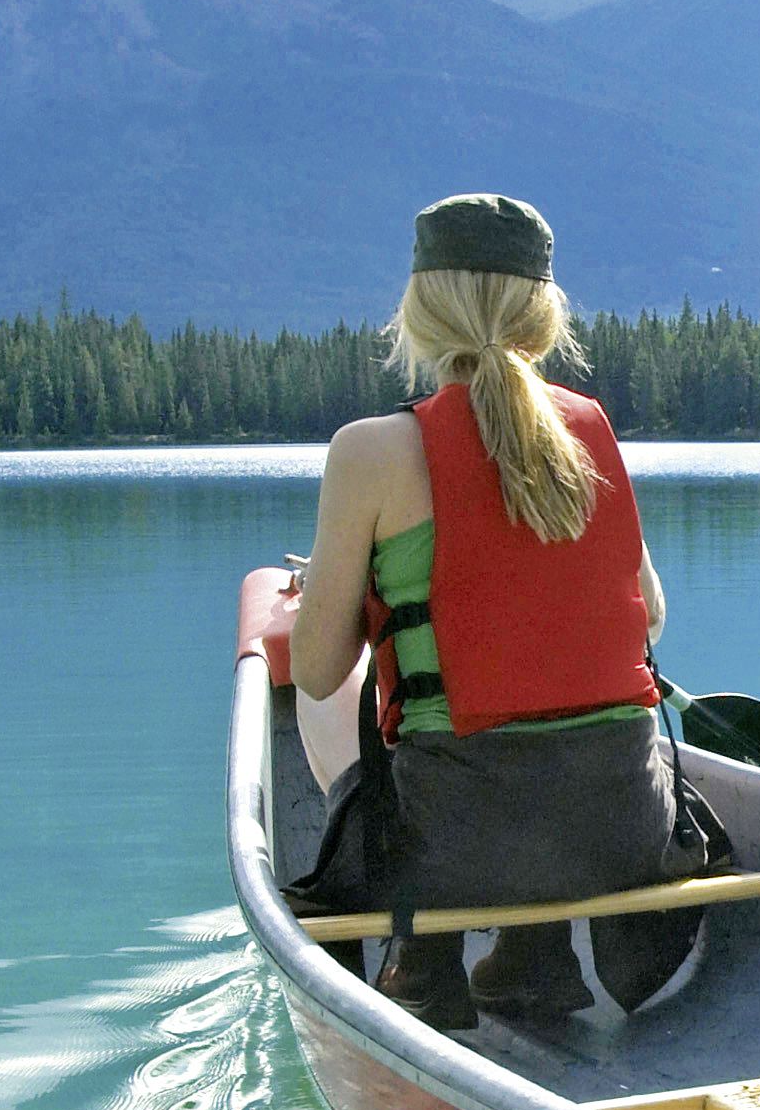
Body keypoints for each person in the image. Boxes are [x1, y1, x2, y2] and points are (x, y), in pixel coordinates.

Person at [285, 192, 710, 1028]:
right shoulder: (590, 429)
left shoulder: (367, 450)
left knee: (328, 683)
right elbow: (649, 617)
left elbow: (316, 668)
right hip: (623, 830)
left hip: (453, 851)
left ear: (419, 310)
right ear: (543, 311)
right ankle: (533, 955)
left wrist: (348, 599)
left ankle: (426, 956)